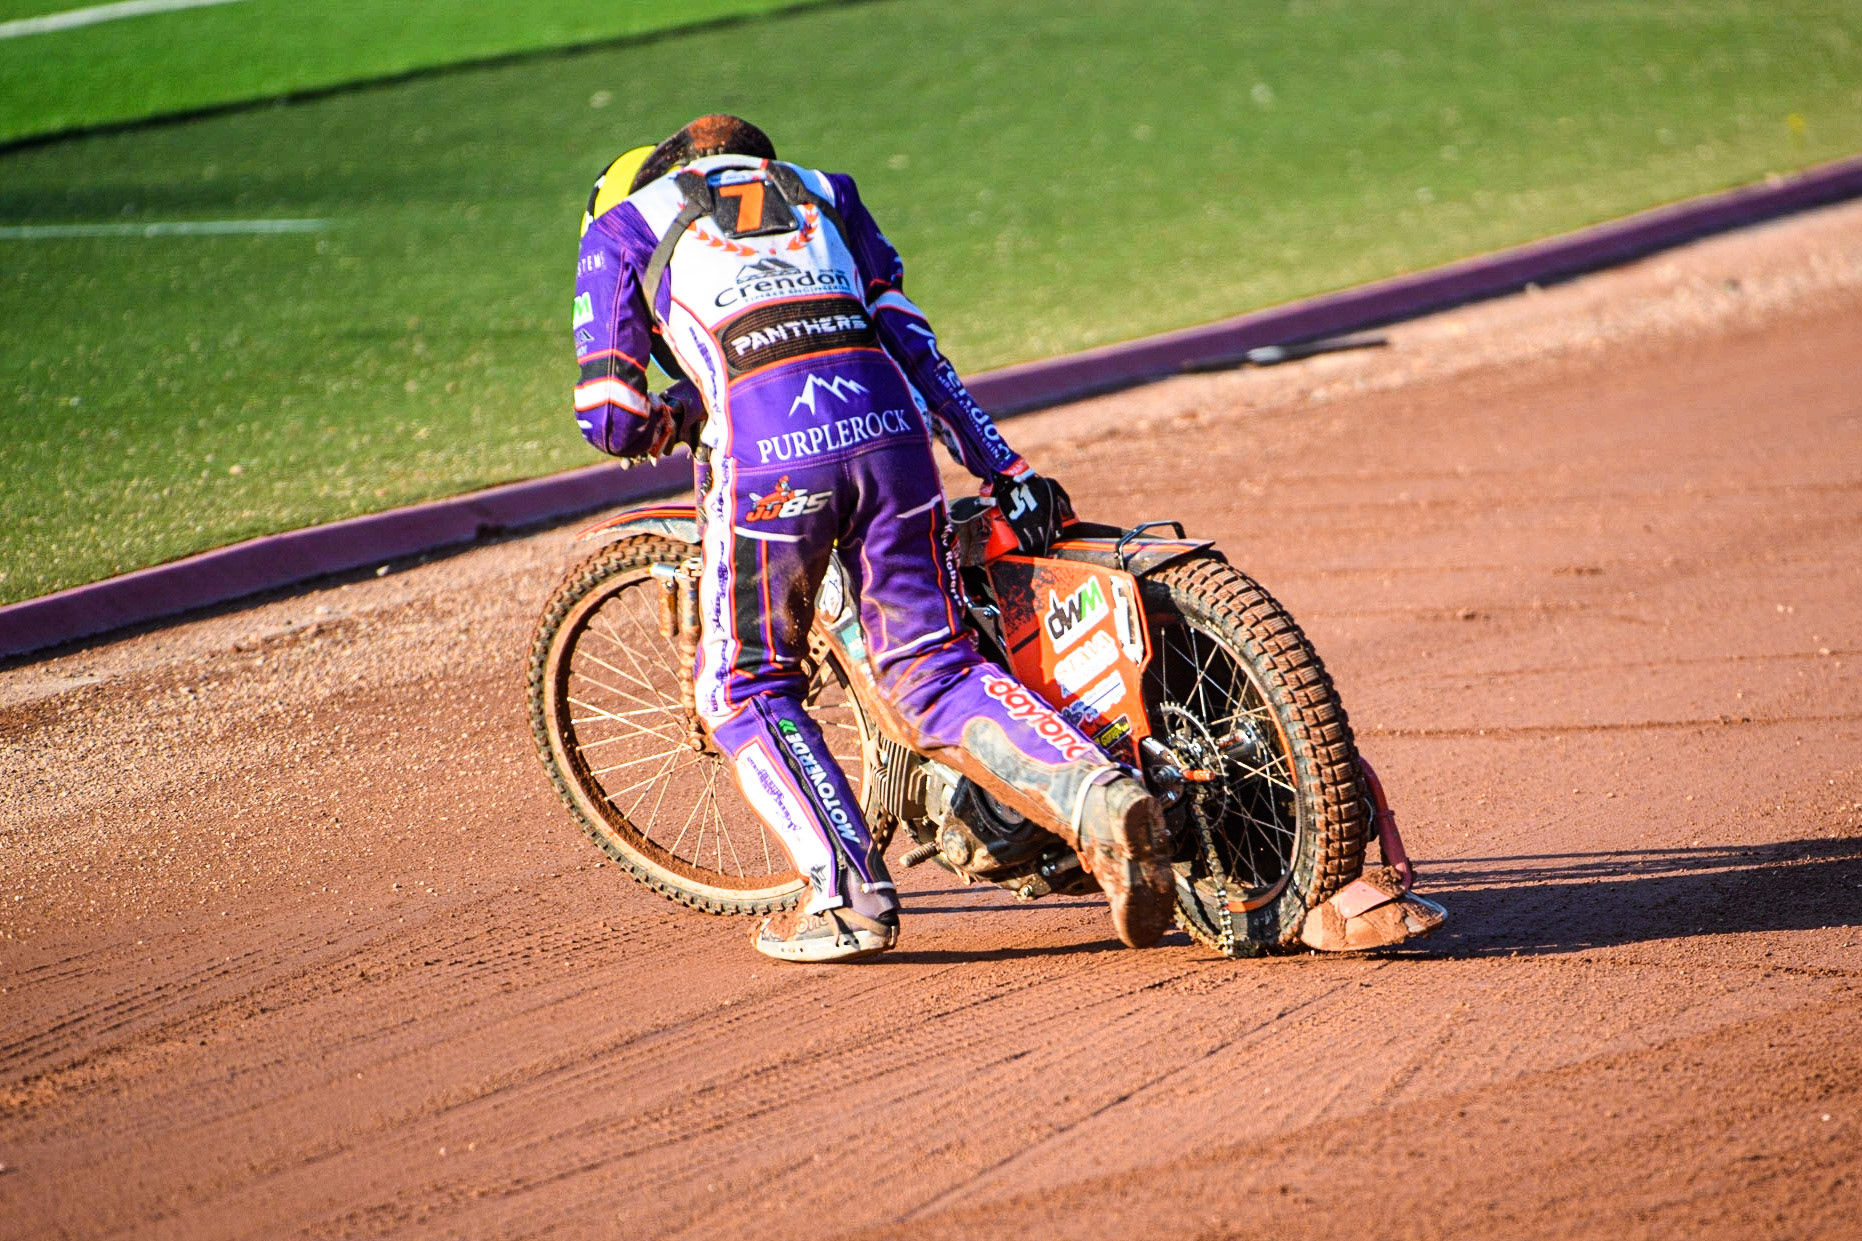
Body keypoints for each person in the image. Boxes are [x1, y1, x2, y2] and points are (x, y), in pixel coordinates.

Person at [571, 115, 1172, 962]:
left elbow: (610, 414)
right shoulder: (826, 191)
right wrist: (1005, 468)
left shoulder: (621, 226)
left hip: (771, 450)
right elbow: (914, 346)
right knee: (934, 671)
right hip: (893, 434)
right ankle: (1097, 798)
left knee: (741, 687)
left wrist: (659, 423)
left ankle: (848, 899)